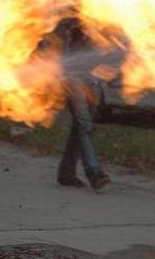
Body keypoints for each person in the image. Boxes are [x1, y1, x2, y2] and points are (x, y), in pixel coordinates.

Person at [53, 18, 111, 190]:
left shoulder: (105, 13)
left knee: (80, 127)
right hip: (73, 80)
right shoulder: (71, 19)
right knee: (84, 125)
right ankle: (94, 173)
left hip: (93, 81)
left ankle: (66, 173)